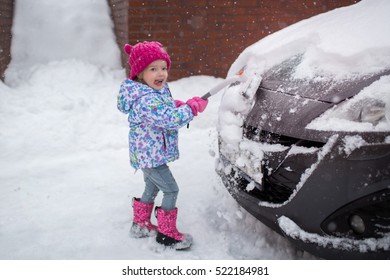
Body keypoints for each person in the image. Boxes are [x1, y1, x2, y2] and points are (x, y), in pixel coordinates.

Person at [117, 41, 208, 250]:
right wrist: (192, 109)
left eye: (164, 68)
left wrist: (180, 104)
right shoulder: (144, 99)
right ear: (140, 73)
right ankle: (167, 234)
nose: (161, 74)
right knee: (171, 190)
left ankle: (140, 225)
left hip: (149, 154)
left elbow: (165, 108)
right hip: (150, 156)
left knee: (151, 186)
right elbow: (168, 119)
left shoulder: (153, 91)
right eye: (153, 69)